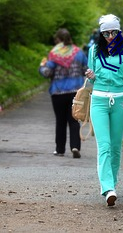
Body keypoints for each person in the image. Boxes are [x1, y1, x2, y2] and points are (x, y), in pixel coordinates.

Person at [85, 14, 123, 206]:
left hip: (120, 101)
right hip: (99, 101)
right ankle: (107, 188)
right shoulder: (94, 50)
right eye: (106, 33)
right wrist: (90, 75)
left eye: (113, 32)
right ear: (101, 33)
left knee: (116, 147)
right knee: (105, 146)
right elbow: (91, 79)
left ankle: (112, 184)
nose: (110, 36)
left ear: (119, 32)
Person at [39, 28, 88, 158]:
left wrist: (42, 66)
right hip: (75, 92)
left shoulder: (54, 54)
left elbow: (47, 73)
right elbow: (86, 70)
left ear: (58, 40)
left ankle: (60, 149)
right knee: (74, 120)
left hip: (58, 92)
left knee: (60, 121)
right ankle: (75, 146)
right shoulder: (79, 53)